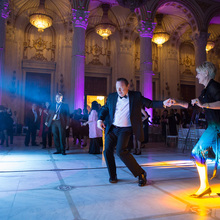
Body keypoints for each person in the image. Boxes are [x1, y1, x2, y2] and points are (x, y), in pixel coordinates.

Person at [164, 61, 220, 198]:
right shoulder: (206, 90)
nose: (196, 76)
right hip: (214, 126)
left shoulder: (214, 86)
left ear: (206, 73)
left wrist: (205, 104)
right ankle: (204, 186)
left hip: (216, 127)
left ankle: (204, 186)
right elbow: (193, 106)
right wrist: (176, 102)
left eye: (198, 73)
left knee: (197, 152)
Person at [97, 78, 164, 186]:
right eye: (117, 88)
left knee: (120, 151)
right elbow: (105, 109)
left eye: (122, 88)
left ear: (128, 86)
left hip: (125, 129)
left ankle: (141, 173)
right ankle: (113, 175)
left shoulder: (136, 96)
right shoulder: (112, 96)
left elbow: (150, 103)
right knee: (107, 151)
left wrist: (163, 103)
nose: (119, 91)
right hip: (112, 128)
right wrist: (100, 119)